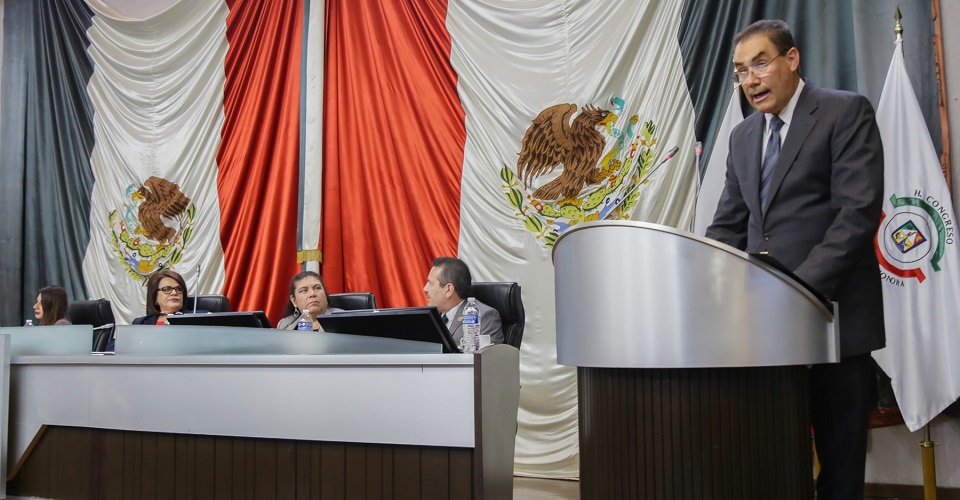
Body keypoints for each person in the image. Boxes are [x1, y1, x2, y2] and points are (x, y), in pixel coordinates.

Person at [705, 20, 884, 499]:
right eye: (741, 71)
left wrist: (795, 294)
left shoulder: (845, 112)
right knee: (772, 454)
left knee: (840, 461)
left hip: (834, 319)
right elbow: (728, 224)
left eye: (760, 63)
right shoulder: (743, 136)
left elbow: (856, 215)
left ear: (792, 59)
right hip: (763, 329)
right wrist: (702, 278)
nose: (751, 80)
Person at [423, 256, 504, 347]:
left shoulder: (483, 316)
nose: (425, 289)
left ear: (449, 290)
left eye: (430, 283)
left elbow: (487, 355)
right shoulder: (432, 317)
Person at [276, 271, 344, 331]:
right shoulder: (284, 324)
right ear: (294, 301)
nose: (312, 294)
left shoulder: (342, 319)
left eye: (317, 288)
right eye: (304, 290)